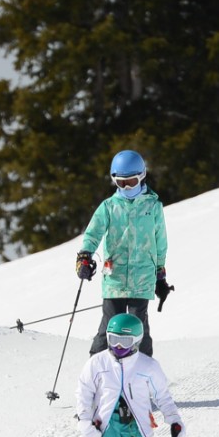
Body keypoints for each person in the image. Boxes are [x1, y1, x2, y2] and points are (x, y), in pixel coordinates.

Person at [77, 148, 171, 357]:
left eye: (131, 182)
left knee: (138, 329)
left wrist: (160, 274)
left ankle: (144, 375)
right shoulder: (109, 207)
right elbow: (93, 233)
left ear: (142, 176)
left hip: (142, 278)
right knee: (109, 328)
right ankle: (96, 372)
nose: (126, 187)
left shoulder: (153, 206)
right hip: (115, 279)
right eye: (121, 183)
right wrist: (84, 256)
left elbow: (160, 241)